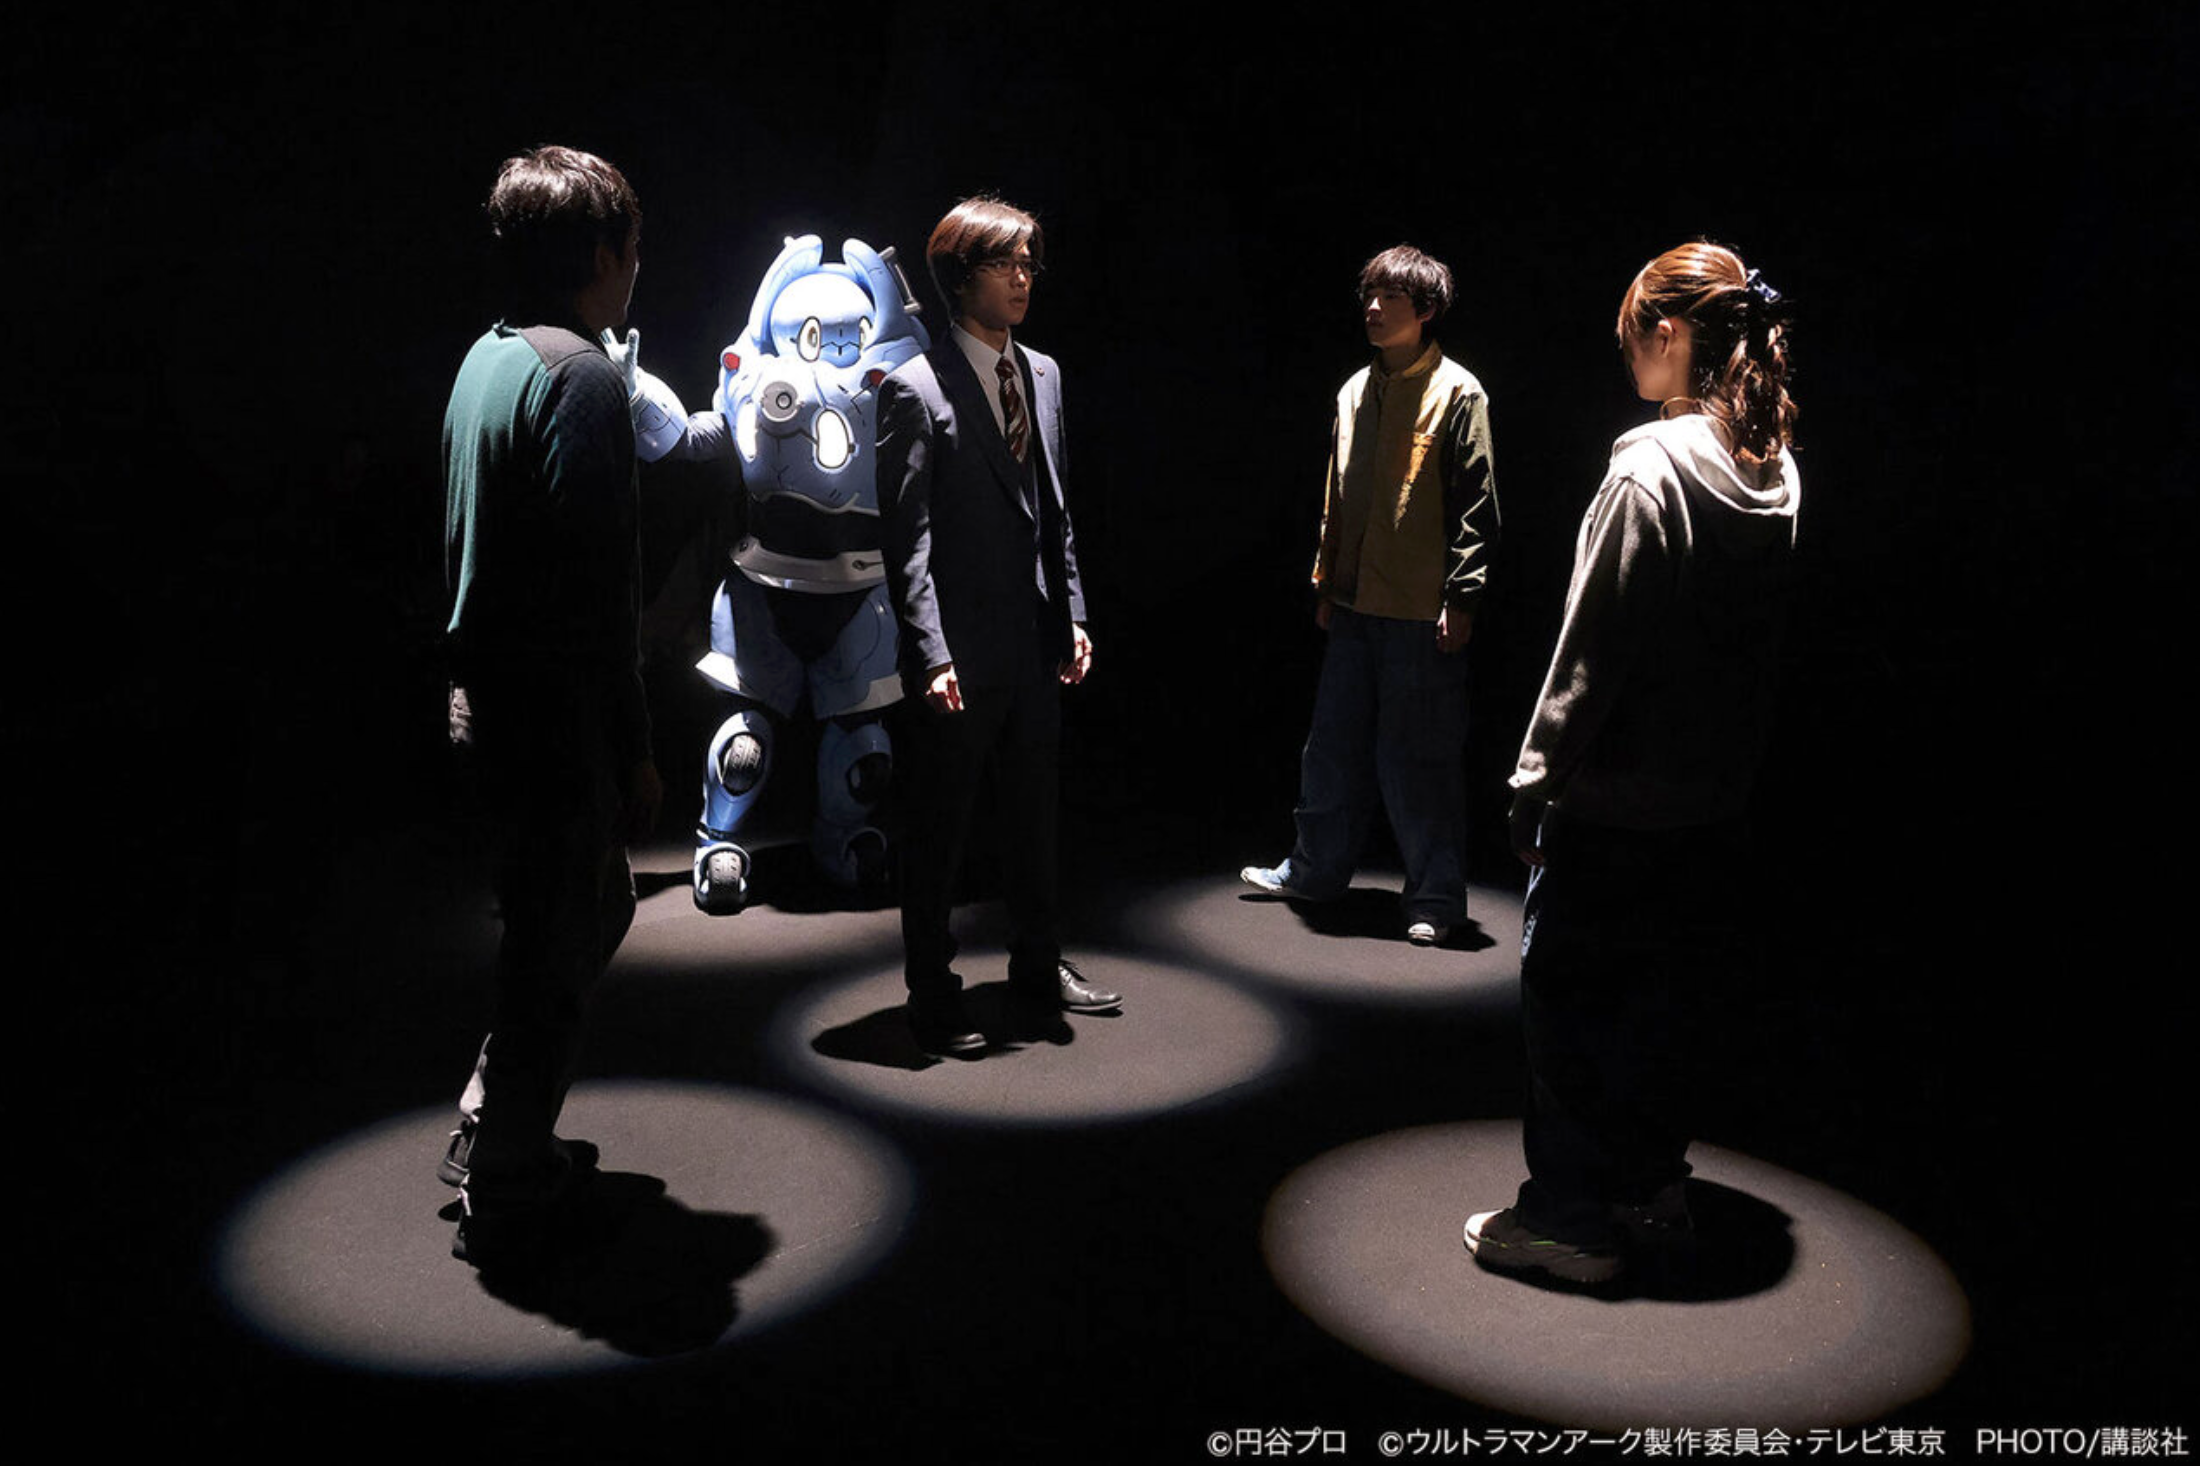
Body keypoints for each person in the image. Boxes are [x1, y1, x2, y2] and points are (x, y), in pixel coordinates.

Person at [1464, 241, 1800, 1287]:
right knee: (1664, 1006)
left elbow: (1590, 654)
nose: (1627, 360)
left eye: (1631, 341)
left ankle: (1570, 1223)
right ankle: (1651, 1190)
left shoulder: (1647, 472)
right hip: (1711, 800)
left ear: (1667, 333)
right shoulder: (1777, 470)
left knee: (1569, 1009)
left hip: (1612, 803)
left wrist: (1534, 781)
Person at [437, 146, 663, 1267]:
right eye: (632, 247)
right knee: (559, 935)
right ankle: (509, 1172)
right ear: (605, 251)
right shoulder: (582, 378)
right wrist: (634, 747)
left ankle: (497, 1120)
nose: (638, 267)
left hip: (485, 701)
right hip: (552, 714)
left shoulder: (485, 360)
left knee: (573, 915)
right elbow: (595, 589)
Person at [875, 196, 1120, 1058]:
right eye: (1004, 263)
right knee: (939, 831)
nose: (1023, 278)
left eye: (1028, 263)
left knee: (1033, 821)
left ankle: (1038, 968)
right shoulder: (914, 387)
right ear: (959, 276)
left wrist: (1073, 612)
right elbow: (907, 539)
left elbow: (1056, 509)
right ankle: (931, 991)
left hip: (1032, 641)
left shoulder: (1042, 373)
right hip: (958, 651)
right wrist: (929, 650)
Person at [1241, 245, 1500, 946]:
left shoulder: (1459, 392)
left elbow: (1476, 506)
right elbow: (1337, 496)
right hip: (1356, 604)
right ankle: (1313, 871)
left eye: (1391, 298)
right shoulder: (1354, 390)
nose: (1374, 309)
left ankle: (1436, 899)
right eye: (1369, 296)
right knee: (1329, 749)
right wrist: (1327, 583)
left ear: (1426, 309)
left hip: (1419, 609)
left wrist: (1462, 598)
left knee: (1418, 760)